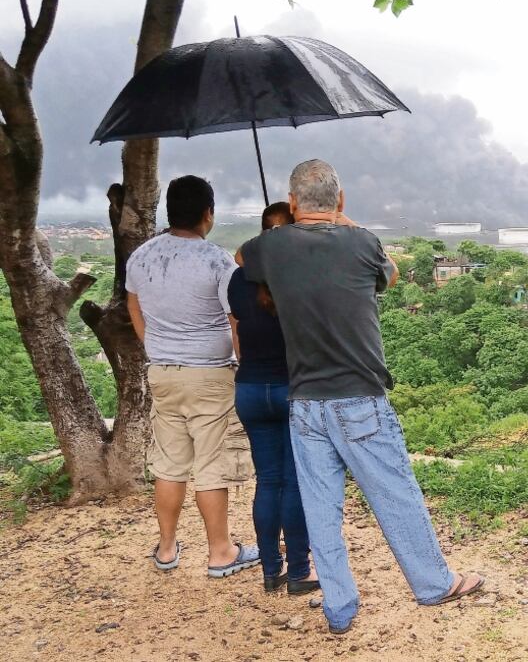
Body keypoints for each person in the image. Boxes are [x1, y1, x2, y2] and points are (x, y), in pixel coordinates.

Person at [238, 160, 484, 634]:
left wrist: (282, 241)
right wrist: (344, 222)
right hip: (359, 398)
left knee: (320, 507)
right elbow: (388, 277)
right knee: (395, 495)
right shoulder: (361, 241)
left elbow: (241, 261)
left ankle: (339, 606)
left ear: (291, 204)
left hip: (305, 402)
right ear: (341, 201)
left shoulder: (270, 247)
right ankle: (434, 583)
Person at [126, 175, 260, 576]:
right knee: (211, 464)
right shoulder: (217, 261)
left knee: (169, 464)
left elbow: (135, 311)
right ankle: (221, 552)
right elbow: (234, 320)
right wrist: (244, 362)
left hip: (162, 372)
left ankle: (166, 549)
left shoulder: (141, 257)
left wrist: (157, 347)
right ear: (208, 213)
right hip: (210, 375)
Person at [227, 202, 319, 595]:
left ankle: (270, 570)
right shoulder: (299, 280)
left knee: (268, 481)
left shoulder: (236, 280)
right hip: (291, 389)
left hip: (249, 389)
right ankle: (299, 571)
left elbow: (237, 332)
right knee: (294, 483)